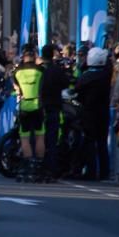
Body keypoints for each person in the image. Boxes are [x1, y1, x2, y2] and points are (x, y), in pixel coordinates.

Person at [74, 47, 112, 181]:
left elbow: (75, 91)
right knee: (102, 143)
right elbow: (108, 65)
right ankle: (104, 171)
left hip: (89, 112)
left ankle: (91, 171)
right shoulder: (106, 74)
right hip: (103, 112)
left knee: (90, 141)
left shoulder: (86, 77)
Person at [12, 44, 47, 180]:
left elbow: (17, 89)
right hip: (38, 106)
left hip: (24, 106)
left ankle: (27, 164)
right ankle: (39, 164)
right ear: (34, 55)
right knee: (40, 136)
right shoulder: (41, 70)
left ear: (23, 56)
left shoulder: (17, 72)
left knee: (25, 137)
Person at [38, 44, 69, 179]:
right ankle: (50, 169)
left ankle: (38, 167)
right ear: (52, 55)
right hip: (54, 106)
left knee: (39, 139)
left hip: (38, 107)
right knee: (52, 140)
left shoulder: (38, 70)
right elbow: (66, 83)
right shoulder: (56, 70)